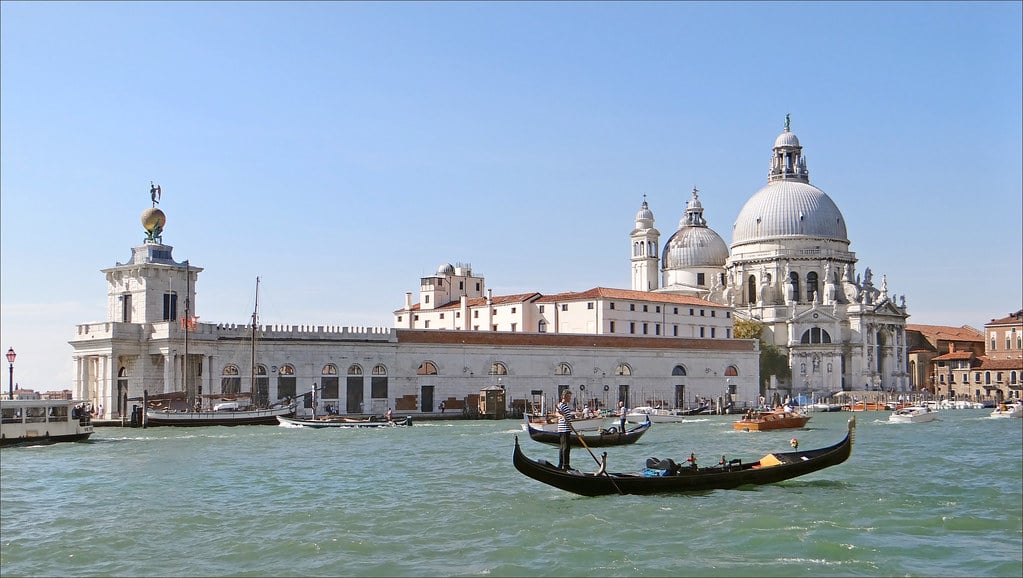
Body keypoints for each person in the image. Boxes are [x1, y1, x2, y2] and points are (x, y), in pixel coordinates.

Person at [556, 390, 574, 470]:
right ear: (564, 396)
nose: (570, 398)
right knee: (565, 448)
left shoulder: (565, 406)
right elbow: (557, 413)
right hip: (564, 429)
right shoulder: (561, 405)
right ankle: (565, 465)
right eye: (569, 396)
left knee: (563, 447)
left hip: (566, 428)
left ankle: (561, 464)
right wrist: (561, 416)